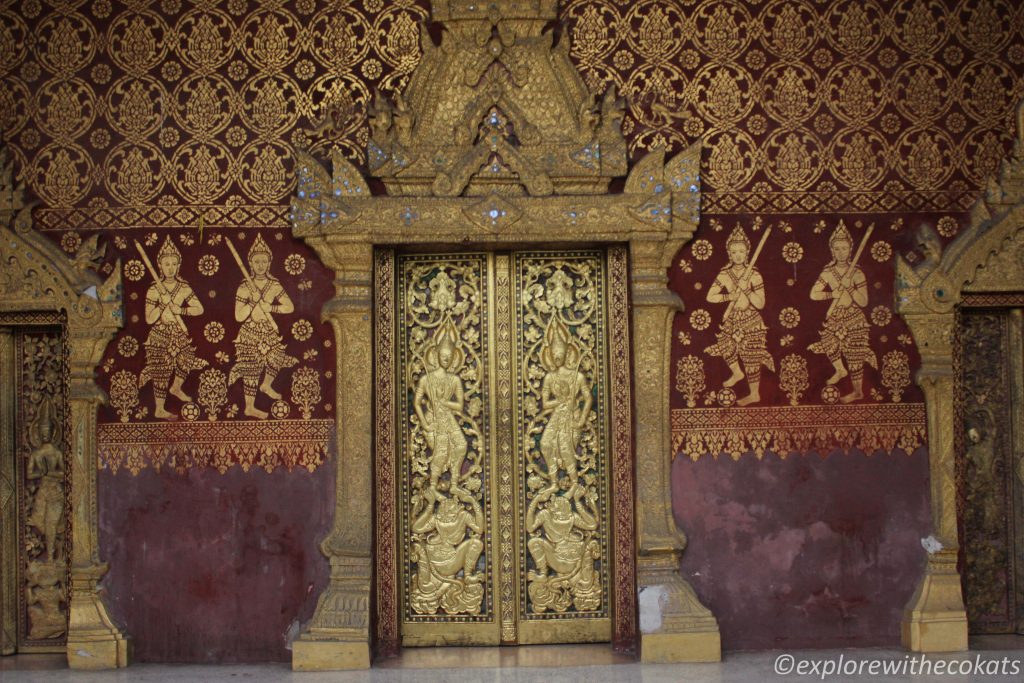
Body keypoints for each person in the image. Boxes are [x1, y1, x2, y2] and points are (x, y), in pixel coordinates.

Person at [228, 234, 297, 419]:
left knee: (276, 357)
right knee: (251, 367)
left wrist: (270, 307)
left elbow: (289, 306)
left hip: (268, 330)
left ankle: (266, 384)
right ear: (250, 263)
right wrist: (252, 303)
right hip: (250, 331)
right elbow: (238, 316)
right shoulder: (244, 287)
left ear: (269, 263)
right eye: (256, 261)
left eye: (264, 261)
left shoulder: (274, 285)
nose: (260, 265)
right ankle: (249, 406)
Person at [705, 226, 774, 405]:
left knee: (751, 355)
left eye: (741, 251)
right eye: (734, 252)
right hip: (733, 318)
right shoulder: (724, 274)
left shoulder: (754, 275)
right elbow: (710, 296)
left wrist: (747, 291)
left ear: (747, 253)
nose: (738, 255)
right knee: (725, 346)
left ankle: (754, 393)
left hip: (751, 320)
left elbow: (760, 303)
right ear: (729, 253)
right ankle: (737, 372)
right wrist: (729, 296)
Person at [138, 237, 206, 419]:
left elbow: (199, 309)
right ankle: (159, 408)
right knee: (161, 369)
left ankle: (176, 387)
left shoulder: (183, 288)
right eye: (166, 264)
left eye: (173, 264)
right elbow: (149, 318)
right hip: (159, 333)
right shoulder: (154, 290)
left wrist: (180, 309)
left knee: (187, 358)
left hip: (178, 332)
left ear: (178, 265)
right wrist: (161, 305)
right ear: (160, 265)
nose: (170, 267)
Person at [809, 221, 876, 403]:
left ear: (851, 250)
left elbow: (864, 301)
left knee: (854, 354)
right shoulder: (828, 272)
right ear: (832, 250)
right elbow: (814, 294)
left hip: (854, 317)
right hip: (835, 315)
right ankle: (840, 369)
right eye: (837, 249)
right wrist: (832, 293)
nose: (841, 252)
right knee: (829, 342)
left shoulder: (857, 273)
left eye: (844, 248)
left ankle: (857, 391)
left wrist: (851, 289)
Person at [414, 323, 469, 496]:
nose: (446, 358)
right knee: (441, 451)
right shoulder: (425, 379)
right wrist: (425, 424)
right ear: (436, 355)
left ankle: (454, 482)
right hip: (435, 419)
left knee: (462, 445)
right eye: (443, 355)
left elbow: (459, 406)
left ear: (454, 358)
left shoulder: (454, 380)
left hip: (448, 417)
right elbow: (417, 402)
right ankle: (432, 486)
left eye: (450, 356)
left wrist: (445, 402)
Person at [539, 320, 591, 493]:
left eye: (560, 353)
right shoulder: (549, 378)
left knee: (565, 448)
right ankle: (554, 481)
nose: (557, 356)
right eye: (554, 354)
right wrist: (559, 402)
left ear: (568, 353)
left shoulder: (578, 377)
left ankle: (575, 482)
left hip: (572, 416)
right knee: (545, 444)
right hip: (557, 415)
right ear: (550, 355)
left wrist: (582, 418)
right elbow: (545, 404)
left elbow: (588, 398)